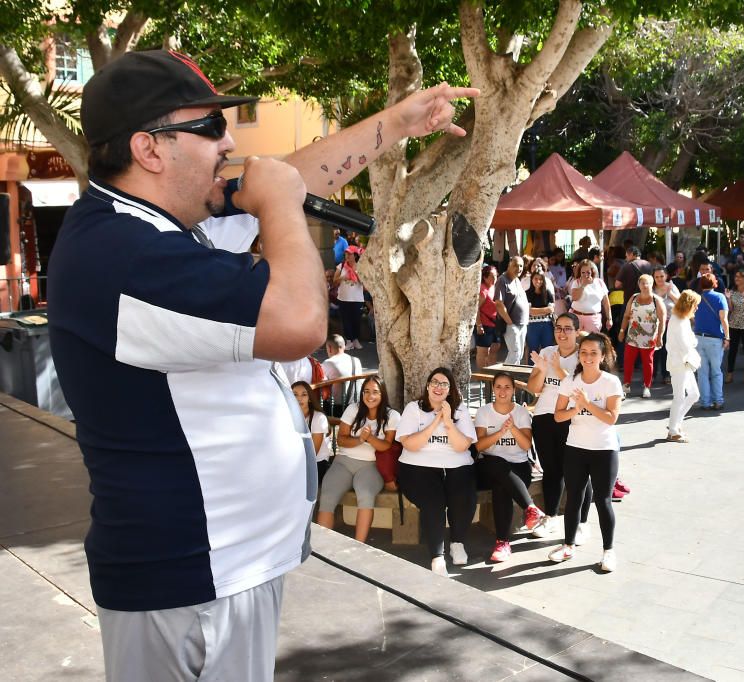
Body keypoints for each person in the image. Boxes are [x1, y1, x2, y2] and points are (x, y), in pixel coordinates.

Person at [46, 48, 476, 680]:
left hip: (222, 568)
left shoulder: (162, 227)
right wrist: (278, 207)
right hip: (193, 576)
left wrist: (399, 124)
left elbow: (296, 173)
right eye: (209, 127)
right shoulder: (126, 257)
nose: (228, 143)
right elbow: (299, 320)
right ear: (149, 149)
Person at [549, 333, 623, 573]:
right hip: (576, 448)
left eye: (593, 353)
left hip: (604, 449)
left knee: (603, 500)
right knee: (573, 499)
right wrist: (576, 408)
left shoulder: (611, 382)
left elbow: (611, 418)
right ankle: (568, 544)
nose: (588, 357)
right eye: (584, 353)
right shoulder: (570, 381)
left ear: (602, 356)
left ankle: (608, 551)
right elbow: (558, 415)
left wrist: (587, 404)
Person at [396, 368, 477, 575]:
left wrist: (448, 421)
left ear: (450, 390)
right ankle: (437, 556)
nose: (438, 387)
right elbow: (410, 444)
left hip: (456, 465)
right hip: (417, 466)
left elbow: (462, 447)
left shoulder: (460, 410)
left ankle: (457, 542)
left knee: (464, 495)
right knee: (434, 502)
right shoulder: (414, 408)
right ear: (427, 386)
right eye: (434, 382)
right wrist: (435, 422)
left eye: (444, 384)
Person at [526, 313, 594, 540]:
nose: (562, 333)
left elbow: (580, 392)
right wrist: (544, 369)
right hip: (544, 417)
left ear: (576, 331)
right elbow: (533, 388)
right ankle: (551, 518)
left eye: (567, 328)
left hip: (571, 419)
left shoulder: (583, 355)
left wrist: (559, 368)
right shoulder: (547, 352)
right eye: (558, 328)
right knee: (551, 470)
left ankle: (583, 522)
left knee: (577, 472)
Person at [315, 375, 399, 542]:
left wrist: (370, 439)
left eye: (375, 392)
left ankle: (359, 546)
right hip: (344, 462)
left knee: (366, 495)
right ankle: (322, 548)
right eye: (366, 391)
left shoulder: (392, 416)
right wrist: (360, 439)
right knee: (327, 496)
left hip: (370, 466)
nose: (370, 396)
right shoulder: (353, 409)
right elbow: (341, 440)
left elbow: (387, 445)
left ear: (382, 394)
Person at [475, 372, 543, 562]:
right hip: (489, 466)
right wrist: (500, 433)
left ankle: (502, 543)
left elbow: (526, 445)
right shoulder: (484, 412)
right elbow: (479, 446)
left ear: (513, 390)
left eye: (507, 387)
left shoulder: (521, 413)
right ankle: (530, 508)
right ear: (493, 389)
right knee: (497, 464)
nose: (502, 391)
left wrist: (512, 428)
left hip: (518, 468)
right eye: (498, 386)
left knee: (501, 484)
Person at [618, 274, 666, 398]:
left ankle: (647, 386)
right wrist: (622, 330)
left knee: (647, 362)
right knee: (628, 361)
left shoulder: (657, 300)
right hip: (632, 335)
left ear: (652, 284)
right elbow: (626, 316)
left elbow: (662, 319)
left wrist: (660, 336)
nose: (645, 286)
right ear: (638, 285)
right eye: (642, 283)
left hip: (649, 337)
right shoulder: (633, 298)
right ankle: (626, 385)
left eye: (647, 283)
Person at [666, 290, 702, 442]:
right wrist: (693, 343)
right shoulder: (678, 321)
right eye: (695, 305)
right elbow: (687, 344)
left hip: (683, 363)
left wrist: (692, 343)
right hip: (679, 363)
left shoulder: (682, 319)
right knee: (680, 397)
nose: (697, 308)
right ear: (689, 305)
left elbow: (689, 342)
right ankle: (673, 430)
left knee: (693, 395)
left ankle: (675, 425)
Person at [692, 273, 729, 409]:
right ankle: (718, 400)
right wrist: (727, 336)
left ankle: (705, 402)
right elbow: (723, 319)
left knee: (702, 372)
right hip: (714, 339)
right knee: (716, 371)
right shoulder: (720, 297)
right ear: (715, 284)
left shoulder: (697, 298)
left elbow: (692, 317)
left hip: (698, 337)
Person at [291, 381, 333, 485]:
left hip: (316, 463)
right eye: (294, 395)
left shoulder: (319, 418)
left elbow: (313, 453)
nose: (299, 398)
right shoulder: (286, 416)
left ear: (309, 398)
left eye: (304, 395)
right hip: (293, 461)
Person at [494, 256, 529, 364]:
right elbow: (499, 304)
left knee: (519, 354)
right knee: (515, 353)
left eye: (521, 266)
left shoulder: (517, 280)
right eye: (515, 265)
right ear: (509, 265)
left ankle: (513, 378)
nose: (518, 268)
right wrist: (510, 322)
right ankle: (506, 377)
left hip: (522, 324)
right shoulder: (502, 280)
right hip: (511, 324)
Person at [725, 268, 744, 385]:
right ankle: (729, 373)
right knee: (732, 351)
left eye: (739, 276)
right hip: (734, 325)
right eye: (735, 276)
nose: (736, 278)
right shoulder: (732, 291)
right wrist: (728, 298)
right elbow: (731, 310)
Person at [333, 245, 366, 350]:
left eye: (349, 254)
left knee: (356, 320)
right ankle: (348, 341)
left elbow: (365, 284)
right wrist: (343, 277)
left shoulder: (361, 266)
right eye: (346, 253)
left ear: (355, 255)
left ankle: (355, 340)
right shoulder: (341, 266)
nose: (347, 255)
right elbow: (334, 282)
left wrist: (356, 275)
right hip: (343, 298)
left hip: (357, 299)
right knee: (346, 320)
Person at [652, 265, 680, 384]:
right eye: (657, 277)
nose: (659, 279)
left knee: (666, 350)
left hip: (669, 323)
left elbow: (680, 303)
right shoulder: (651, 288)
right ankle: (652, 374)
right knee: (654, 349)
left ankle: (666, 374)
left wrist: (670, 293)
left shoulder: (672, 286)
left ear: (666, 276)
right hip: (654, 323)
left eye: (661, 276)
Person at [570, 259, 612, 334]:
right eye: (583, 272)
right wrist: (583, 285)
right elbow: (574, 298)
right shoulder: (576, 282)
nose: (585, 275)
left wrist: (609, 319)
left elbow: (606, 302)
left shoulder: (600, 282)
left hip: (593, 318)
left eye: (588, 272)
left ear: (592, 272)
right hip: (576, 316)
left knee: (591, 342)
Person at [321, 333, 363, 408]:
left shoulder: (328, 363)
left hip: (337, 408)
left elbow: (321, 383)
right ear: (344, 346)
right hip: (357, 404)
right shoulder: (356, 360)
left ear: (329, 348)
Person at [475, 265, 501, 369]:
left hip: (494, 324)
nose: (494, 279)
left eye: (495, 276)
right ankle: (481, 377)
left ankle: (491, 375)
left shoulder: (494, 287)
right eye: (491, 276)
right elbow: (476, 308)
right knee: (483, 351)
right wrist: (479, 325)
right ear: (485, 277)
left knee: (495, 348)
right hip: (485, 325)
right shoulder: (483, 290)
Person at [525, 271, 556, 357]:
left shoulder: (548, 293)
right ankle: (532, 370)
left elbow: (551, 309)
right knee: (533, 351)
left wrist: (535, 311)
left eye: (540, 279)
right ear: (532, 280)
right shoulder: (527, 293)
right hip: (532, 326)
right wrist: (545, 310)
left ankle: (547, 370)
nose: (538, 281)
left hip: (547, 326)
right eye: (536, 279)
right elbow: (529, 311)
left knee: (548, 350)